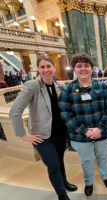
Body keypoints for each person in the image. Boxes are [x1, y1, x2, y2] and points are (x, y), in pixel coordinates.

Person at [9, 55, 77, 200]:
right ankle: (61, 194)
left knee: (60, 160)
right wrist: (23, 135)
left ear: (54, 68)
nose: (46, 70)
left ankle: (64, 182)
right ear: (38, 69)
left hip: (59, 133)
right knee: (53, 164)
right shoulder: (32, 86)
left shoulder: (60, 86)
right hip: (41, 136)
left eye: (48, 66)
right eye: (42, 67)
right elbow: (14, 111)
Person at [59, 53, 107, 198]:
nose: (83, 69)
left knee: (102, 156)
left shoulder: (102, 87)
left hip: (103, 133)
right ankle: (89, 182)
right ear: (74, 69)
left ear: (91, 68)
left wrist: (100, 128)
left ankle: (105, 176)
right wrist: (85, 131)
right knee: (87, 160)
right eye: (79, 66)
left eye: (86, 65)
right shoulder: (67, 90)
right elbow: (65, 113)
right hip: (80, 136)